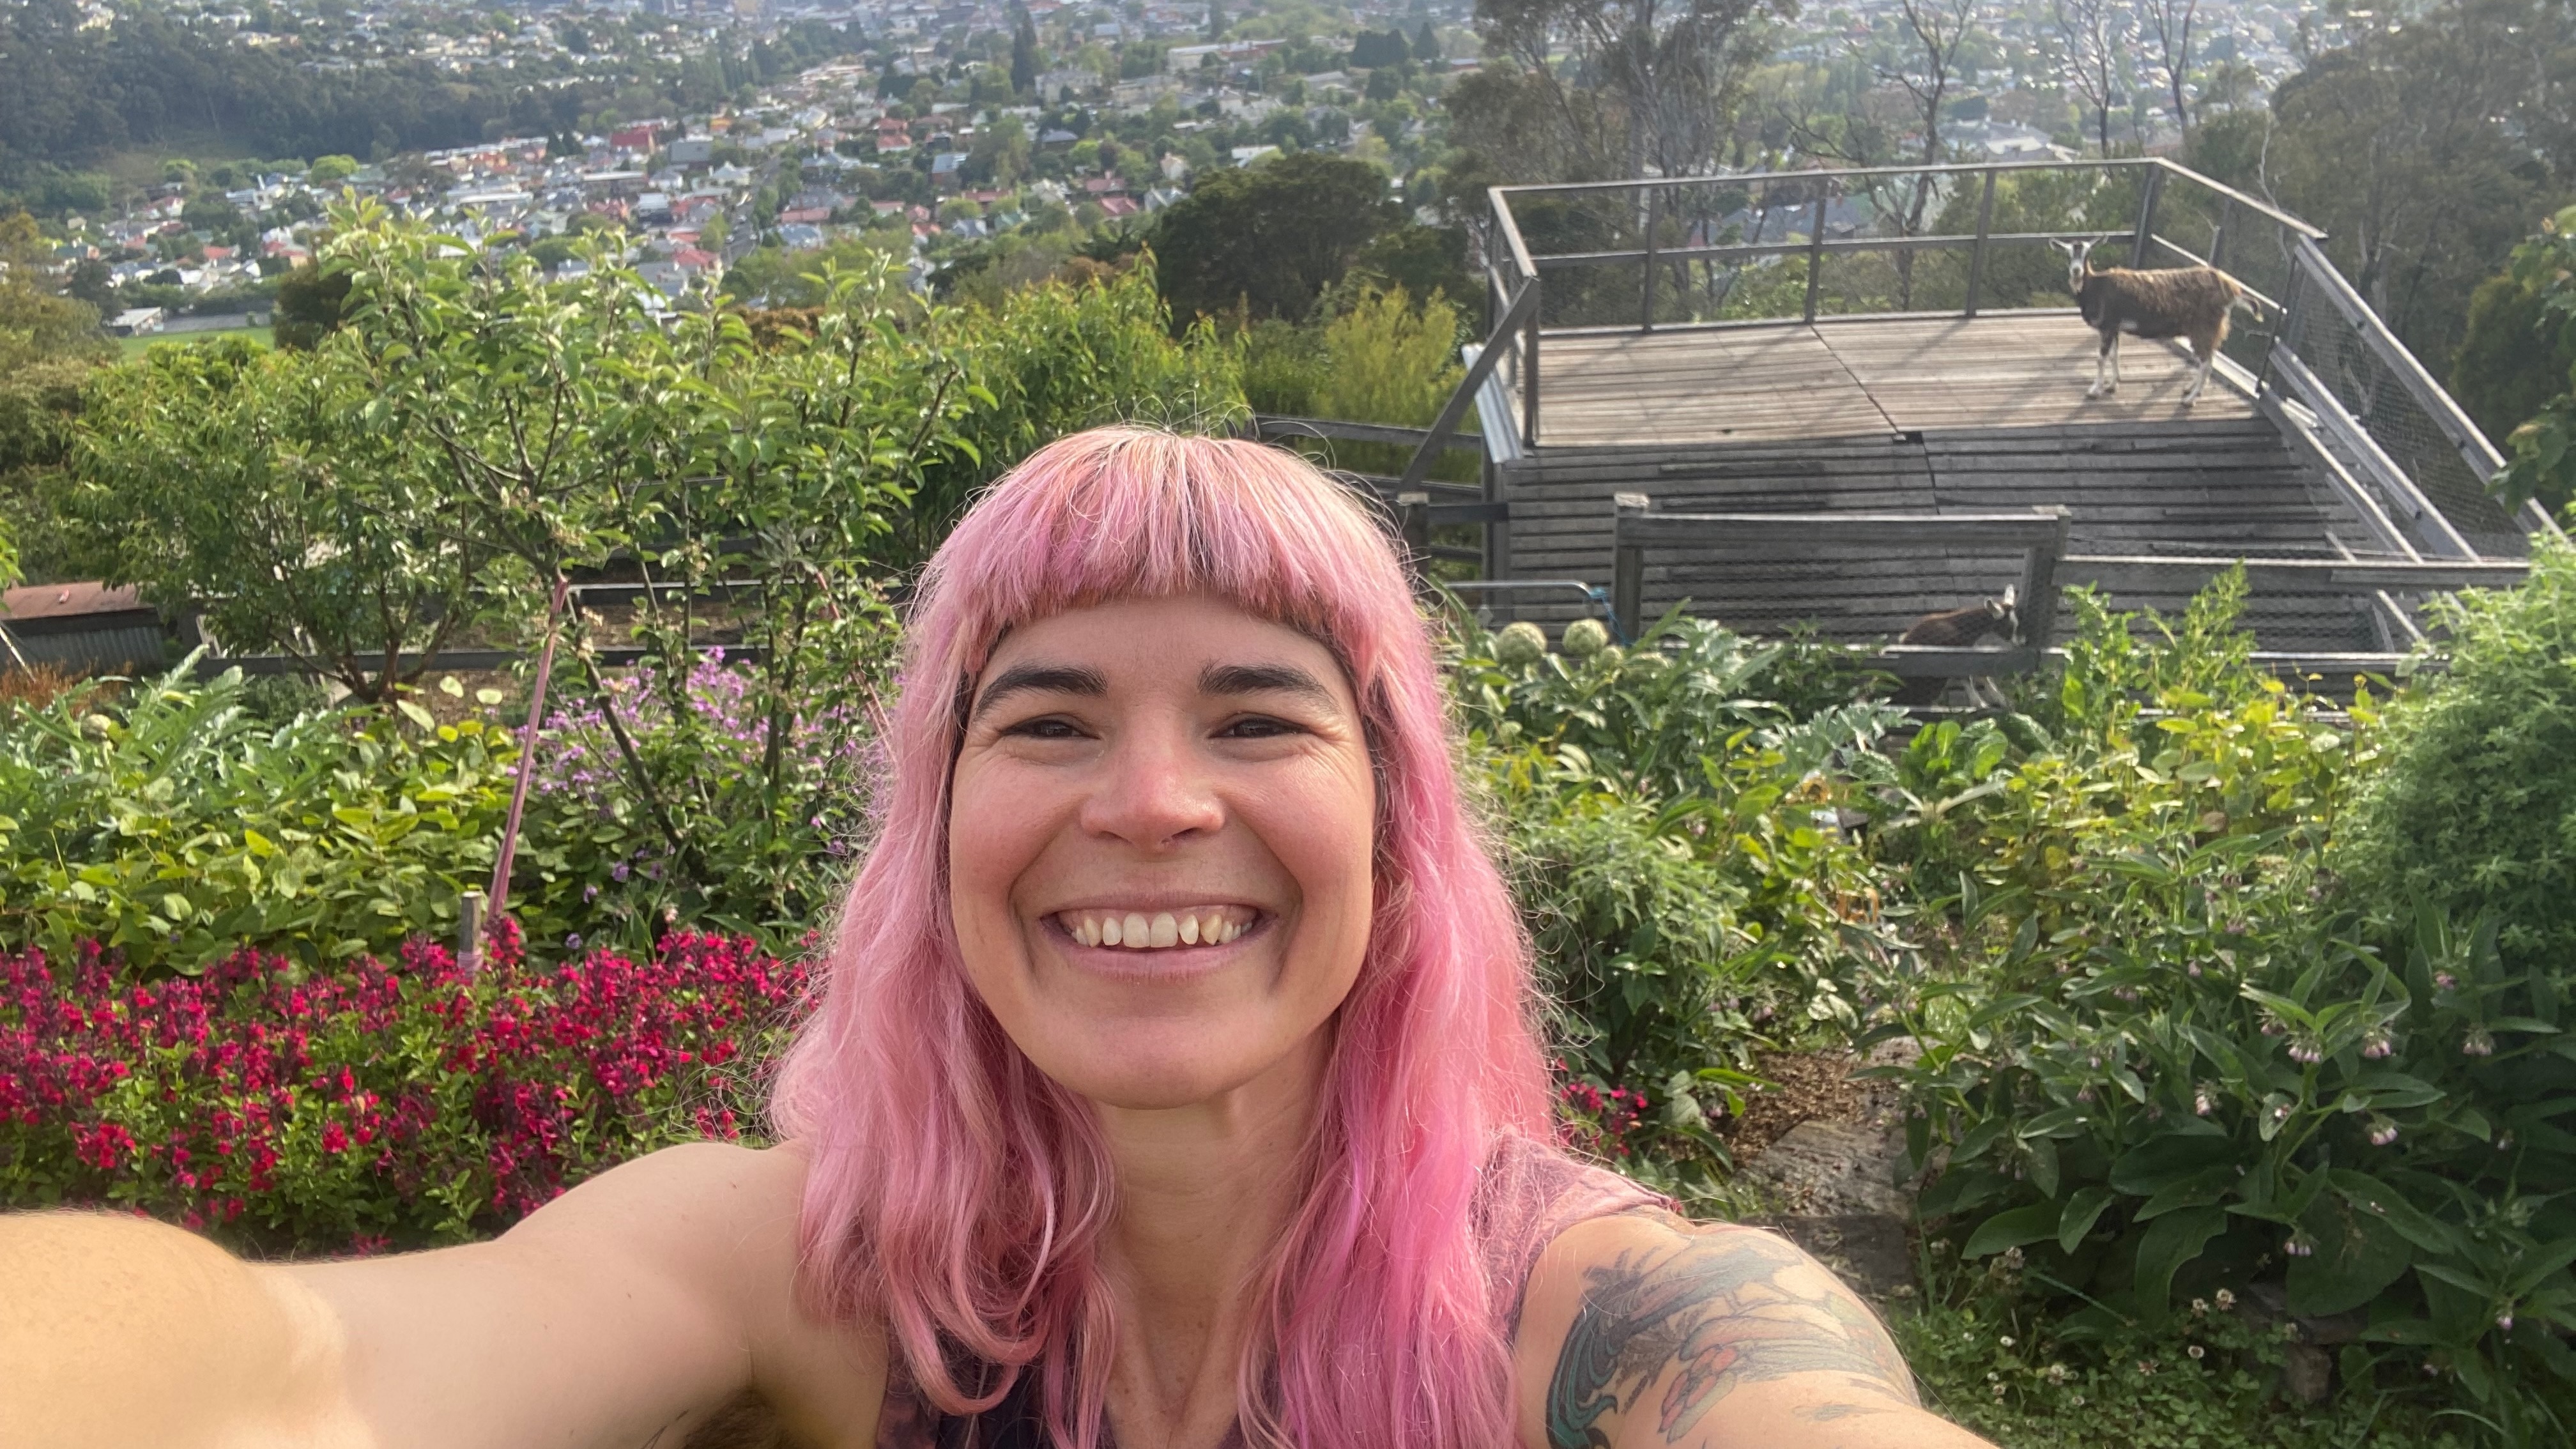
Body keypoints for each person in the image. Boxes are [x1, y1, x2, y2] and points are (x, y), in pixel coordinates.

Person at [1, 427, 1997, 1449]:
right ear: (934, 830)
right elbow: (299, 1370)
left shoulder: (1601, 1324)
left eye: (1257, 712)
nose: (1147, 800)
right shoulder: (820, 1274)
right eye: (1045, 717)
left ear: (1399, 825)